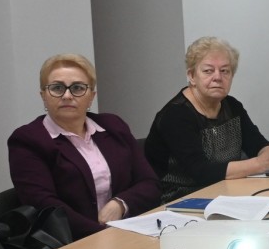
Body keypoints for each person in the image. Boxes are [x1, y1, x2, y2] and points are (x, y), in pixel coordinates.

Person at [8, 53, 159, 239]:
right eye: (57, 88)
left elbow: (149, 183)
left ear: (91, 96)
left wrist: (120, 204)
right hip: (74, 242)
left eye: (78, 88)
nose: (67, 95)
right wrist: (103, 236)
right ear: (43, 96)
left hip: (129, 231)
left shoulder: (113, 126)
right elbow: (45, 206)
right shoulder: (28, 140)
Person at [145, 37, 269, 203]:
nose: (218, 77)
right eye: (208, 71)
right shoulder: (175, 115)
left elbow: (257, 145)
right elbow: (201, 171)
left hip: (224, 191)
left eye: (225, 71)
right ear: (192, 76)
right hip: (179, 200)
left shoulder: (232, 106)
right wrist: (260, 163)